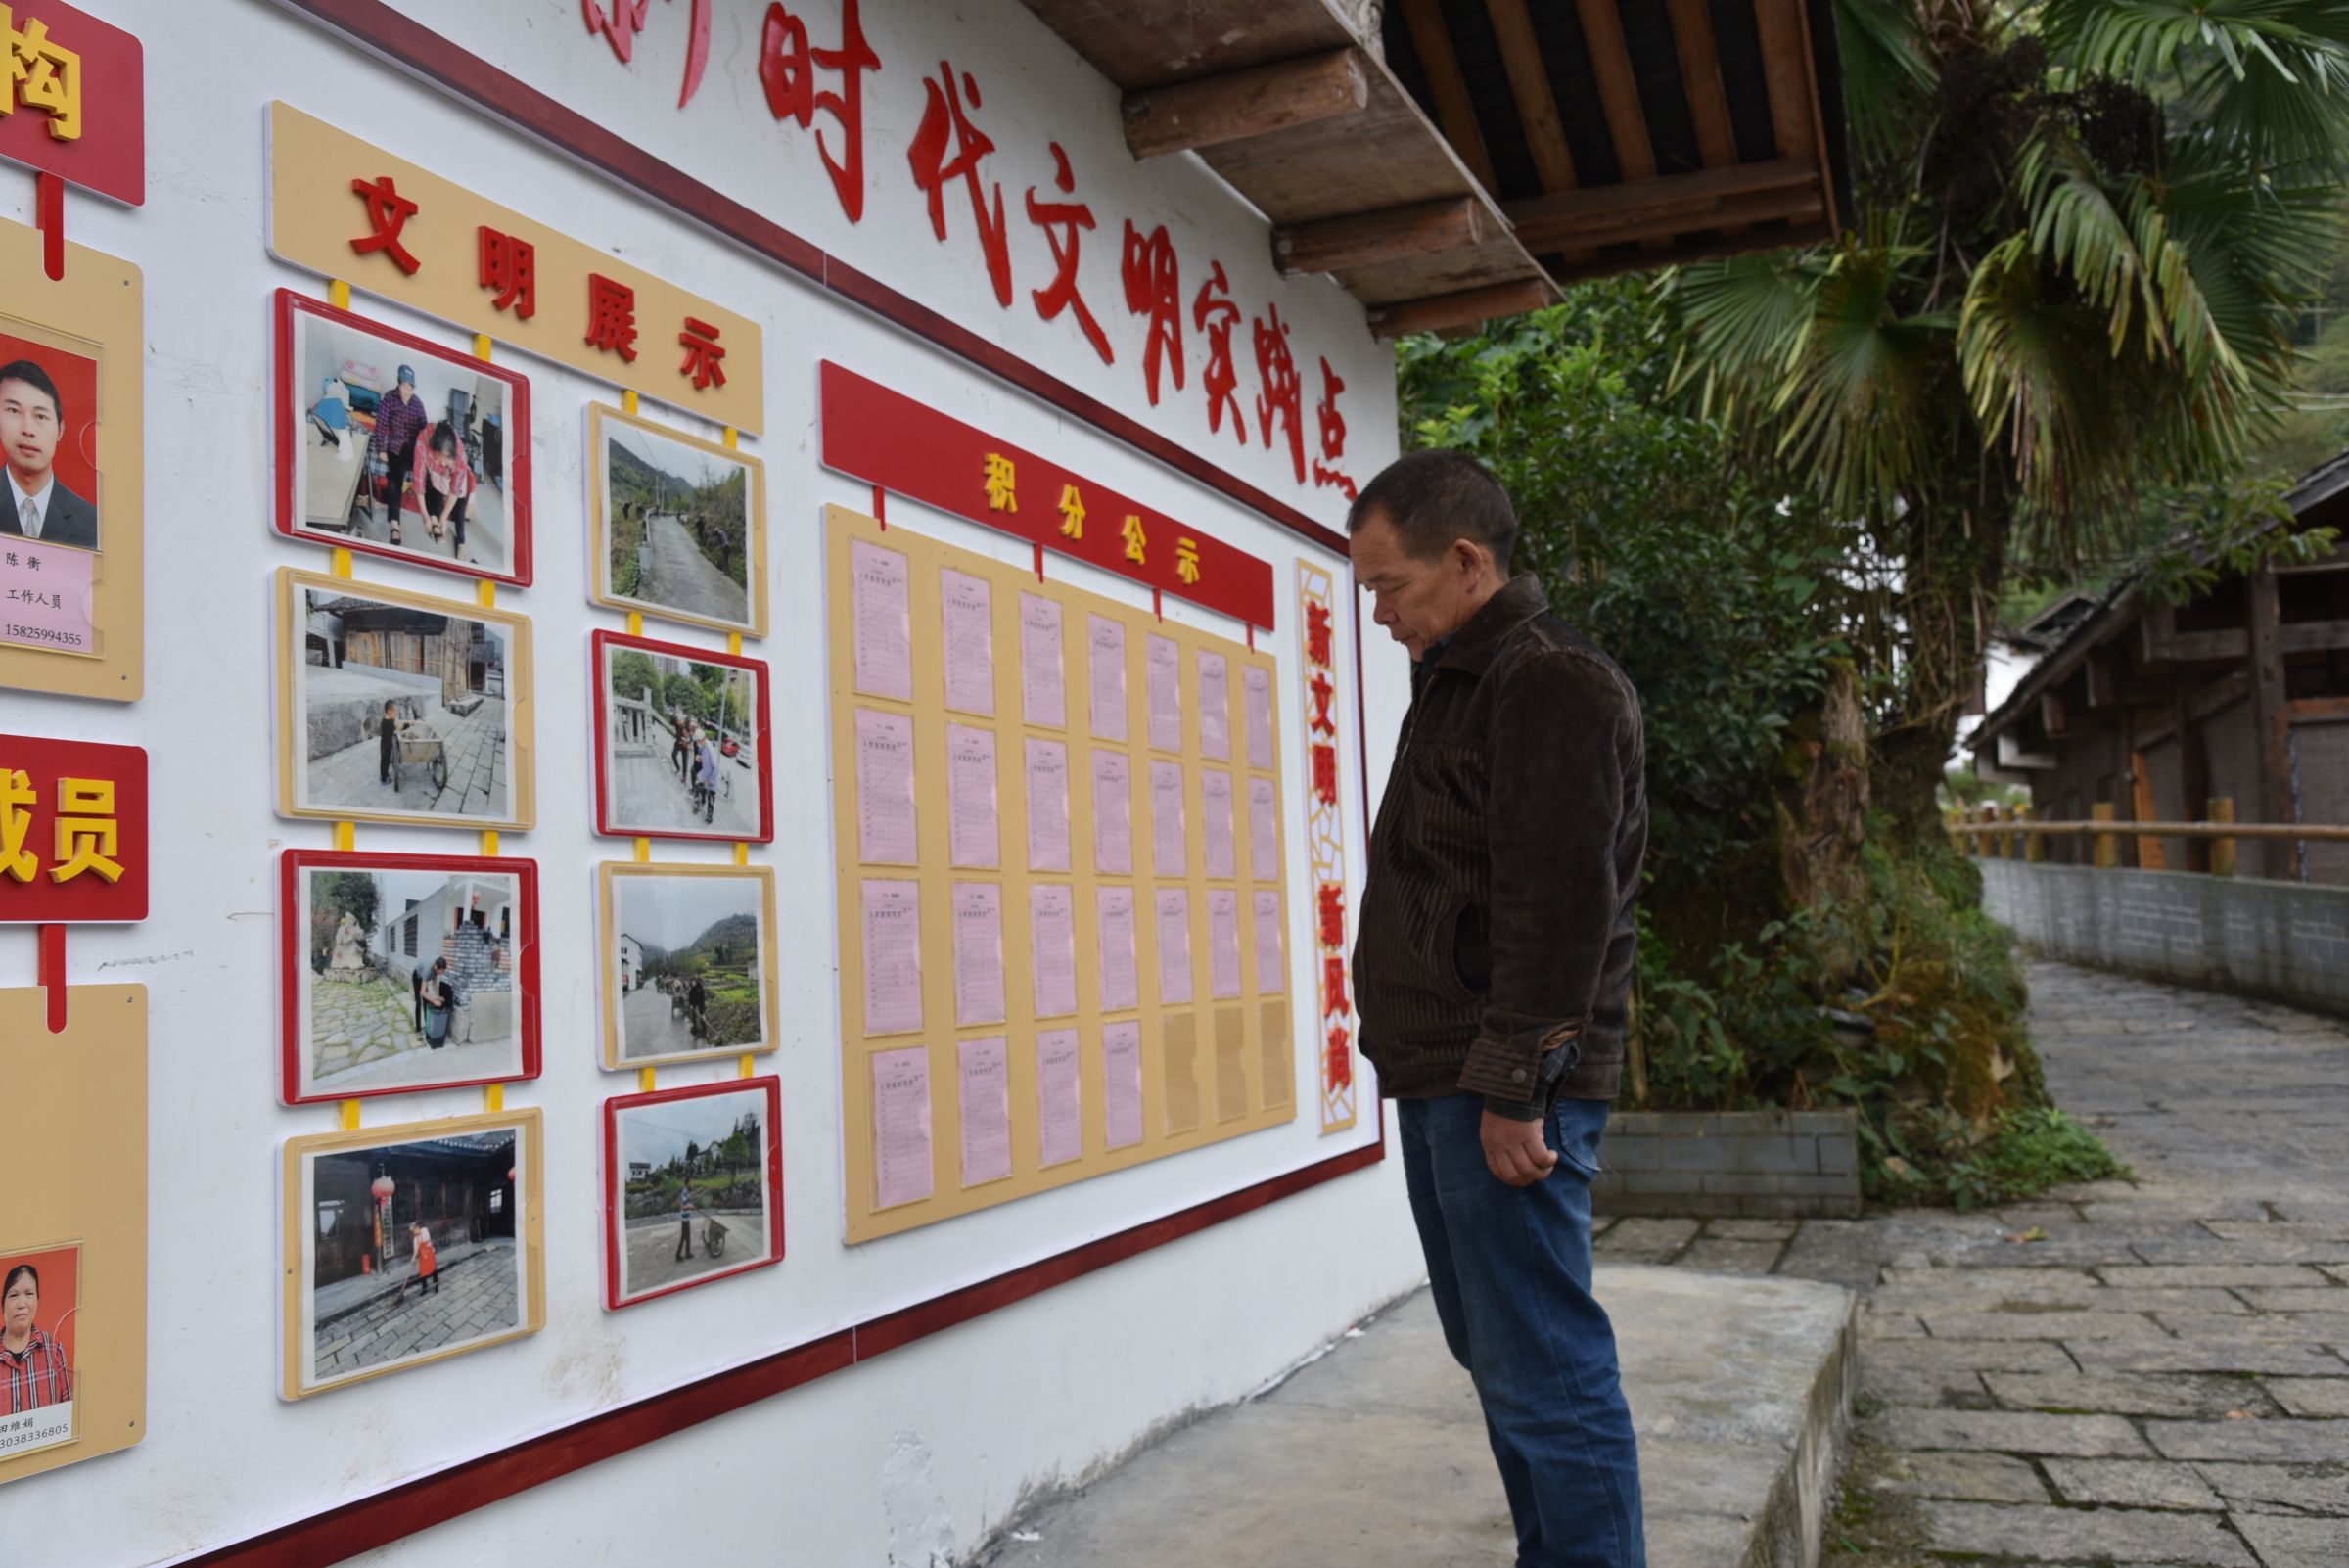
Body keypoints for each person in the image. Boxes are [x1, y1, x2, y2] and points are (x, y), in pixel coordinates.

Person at [1348, 450, 1648, 1568]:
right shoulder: (1465, 681)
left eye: (1389, 588)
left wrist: (1519, 1086)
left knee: (1544, 1370)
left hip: (1503, 1093)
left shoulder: (1549, 681)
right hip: (1449, 1082)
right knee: (1503, 1357)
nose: (1378, 616)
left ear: (1466, 561)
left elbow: (1561, 902)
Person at [0, 359, 98, 550]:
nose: (28, 430)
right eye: (14, 411)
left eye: (40, 416)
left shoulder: (92, 522)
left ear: (60, 430)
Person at [365, 364, 431, 547]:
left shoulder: (417, 403)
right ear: (399, 383)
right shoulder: (389, 398)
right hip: (395, 446)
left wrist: (425, 446)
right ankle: (395, 524)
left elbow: (424, 426)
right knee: (395, 478)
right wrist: (381, 449)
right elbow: (380, 424)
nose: (408, 391)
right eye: (405, 387)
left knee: (429, 473)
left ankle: (431, 517)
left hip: (413, 446)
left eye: (411, 388)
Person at [1, 1263, 70, 1413]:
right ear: (3, 1305)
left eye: (29, 1294)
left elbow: (70, 1415)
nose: (21, 1304)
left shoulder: (53, 1349)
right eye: (13, 1295)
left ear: (37, 1300)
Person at [411, 420, 475, 557]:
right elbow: (419, 481)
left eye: (448, 459)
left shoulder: (460, 457)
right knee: (432, 488)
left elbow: (455, 490)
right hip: (435, 472)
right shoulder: (422, 442)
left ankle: (461, 542)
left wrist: (445, 517)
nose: (444, 463)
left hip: (454, 476)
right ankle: (434, 519)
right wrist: (425, 515)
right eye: (442, 458)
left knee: (460, 502)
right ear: (435, 450)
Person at [421, 958, 454, 1050]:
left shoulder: (435, 970)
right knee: (422, 1000)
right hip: (418, 976)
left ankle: (429, 1027)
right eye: (442, 971)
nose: (442, 973)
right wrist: (434, 1001)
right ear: (436, 967)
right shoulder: (428, 971)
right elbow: (422, 992)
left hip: (425, 978)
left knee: (429, 1001)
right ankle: (423, 1030)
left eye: (443, 971)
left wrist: (438, 997)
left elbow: (434, 984)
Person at [403, 1224, 439, 1300]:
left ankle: (436, 1285)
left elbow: (427, 1239)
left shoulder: (424, 1230)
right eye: (412, 1232)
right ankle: (424, 1288)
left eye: (414, 1231)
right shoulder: (415, 1239)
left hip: (429, 1253)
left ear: (417, 1228)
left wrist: (419, 1242)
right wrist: (413, 1258)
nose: (413, 1233)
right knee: (422, 1273)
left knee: (433, 1269)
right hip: (422, 1256)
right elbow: (416, 1250)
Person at [379, 700, 401, 788]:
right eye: (394, 711)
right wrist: (409, 724)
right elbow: (398, 728)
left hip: (383, 744)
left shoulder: (385, 719)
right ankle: (384, 779)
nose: (396, 713)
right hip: (387, 746)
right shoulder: (389, 723)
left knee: (383, 761)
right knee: (386, 761)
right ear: (389, 711)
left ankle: (383, 776)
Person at [674, 1185, 696, 1263]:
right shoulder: (682, 1197)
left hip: (686, 1219)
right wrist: (690, 1207)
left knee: (687, 1237)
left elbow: (687, 1203)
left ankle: (687, 1253)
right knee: (684, 1237)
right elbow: (684, 1207)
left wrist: (690, 1205)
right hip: (685, 1220)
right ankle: (678, 1255)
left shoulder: (684, 1195)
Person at [686, 974, 709, 1041]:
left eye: (693, 981)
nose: (692, 983)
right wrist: (691, 1005)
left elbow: (702, 998)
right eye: (691, 982)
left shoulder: (700, 987)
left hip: (701, 1004)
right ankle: (696, 1033)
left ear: (696, 981)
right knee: (694, 1019)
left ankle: (705, 1032)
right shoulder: (691, 989)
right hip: (694, 1005)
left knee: (703, 1017)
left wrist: (700, 1008)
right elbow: (690, 998)